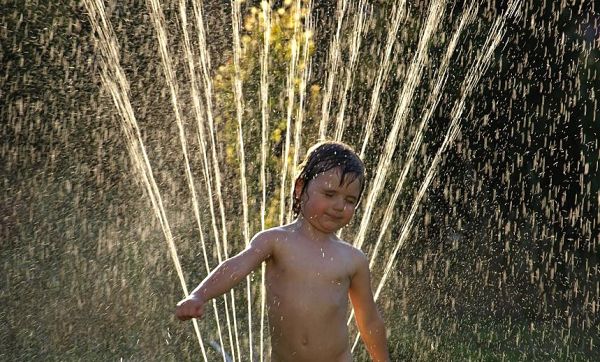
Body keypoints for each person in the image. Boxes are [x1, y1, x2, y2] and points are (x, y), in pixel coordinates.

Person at [175, 141, 390, 362]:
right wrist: (199, 295)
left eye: (349, 200)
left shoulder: (353, 259)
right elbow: (236, 266)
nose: (339, 205)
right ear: (300, 188)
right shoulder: (276, 241)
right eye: (329, 194)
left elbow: (369, 321)